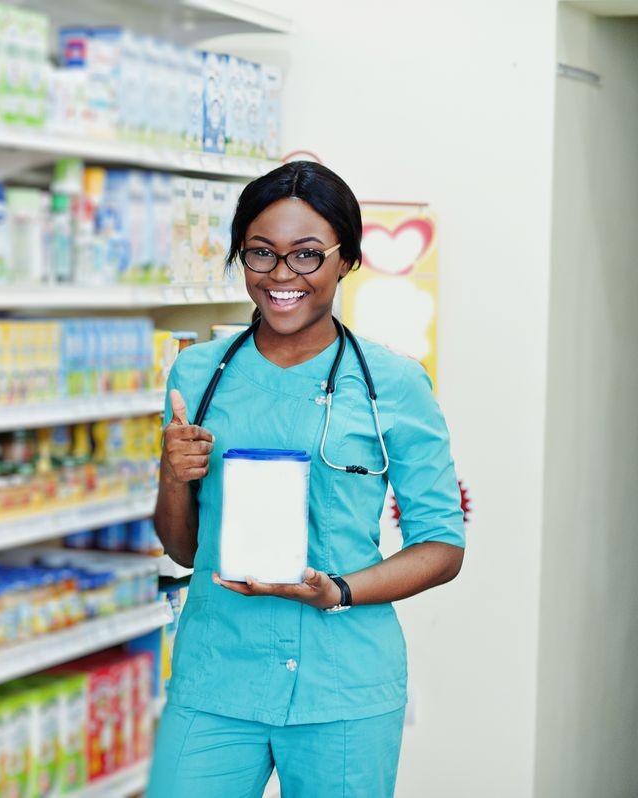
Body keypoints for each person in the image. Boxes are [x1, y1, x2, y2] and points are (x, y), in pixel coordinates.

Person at [148, 161, 465, 797]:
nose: (282, 277)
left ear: (345, 260)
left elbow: (442, 545)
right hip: (217, 676)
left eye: (307, 256)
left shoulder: (394, 384)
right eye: (261, 254)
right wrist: (172, 474)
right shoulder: (196, 375)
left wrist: (339, 591)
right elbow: (184, 548)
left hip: (343, 681)